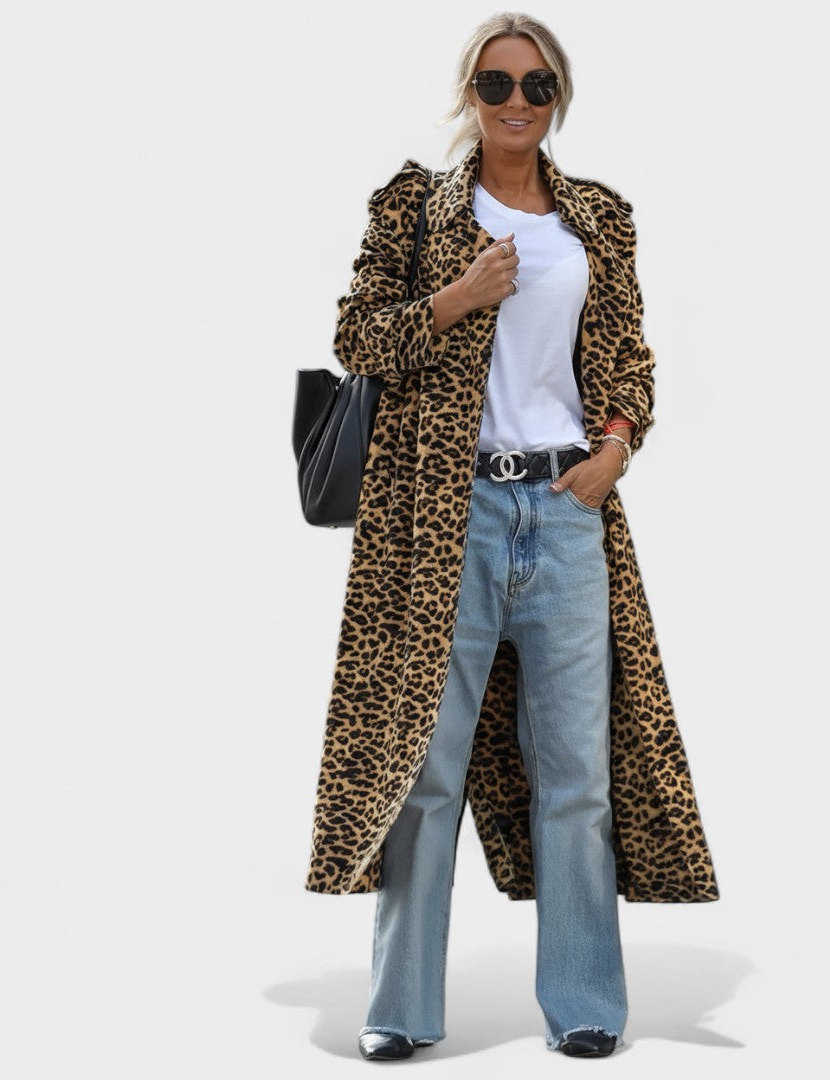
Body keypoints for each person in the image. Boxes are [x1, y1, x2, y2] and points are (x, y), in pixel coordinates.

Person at [305, 10, 720, 1063]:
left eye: (537, 86)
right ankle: (401, 1008)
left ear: (558, 98)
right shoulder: (418, 207)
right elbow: (355, 334)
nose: (517, 103)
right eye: (497, 84)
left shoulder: (598, 220)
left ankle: (584, 1002)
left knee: (577, 777)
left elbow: (630, 359)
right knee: (426, 769)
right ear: (470, 95)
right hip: (450, 517)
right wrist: (458, 297)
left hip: (566, 510)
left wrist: (614, 449)